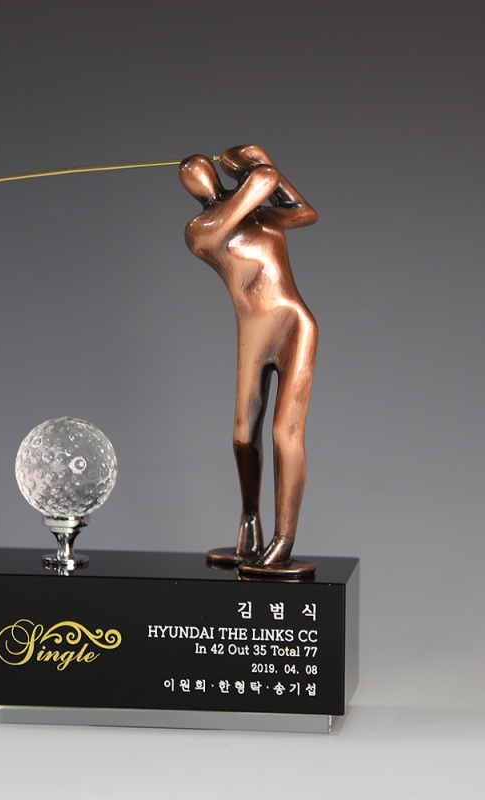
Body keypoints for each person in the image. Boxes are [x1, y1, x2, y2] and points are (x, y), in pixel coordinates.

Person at [179, 145, 319, 577]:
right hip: (253, 331)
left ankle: (284, 540)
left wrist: (260, 156)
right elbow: (262, 181)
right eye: (189, 174)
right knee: (243, 437)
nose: (197, 173)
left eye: (201, 166)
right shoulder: (201, 230)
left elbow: (304, 213)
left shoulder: (260, 215)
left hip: (292, 322)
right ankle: (250, 521)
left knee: (284, 433)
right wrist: (255, 161)